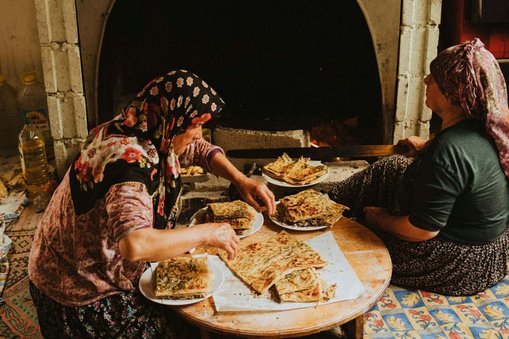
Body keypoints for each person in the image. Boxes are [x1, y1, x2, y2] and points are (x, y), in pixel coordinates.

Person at [27, 69, 276, 338]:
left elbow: (197, 149)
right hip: (77, 290)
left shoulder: (143, 125)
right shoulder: (129, 168)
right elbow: (135, 245)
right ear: (173, 121)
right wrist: (207, 232)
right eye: (193, 126)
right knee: (183, 328)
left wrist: (241, 180)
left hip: (76, 261)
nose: (198, 134)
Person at [320, 38, 509, 296]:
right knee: (392, 165)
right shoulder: (483, 125)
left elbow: (422, 230)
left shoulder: (449, 150)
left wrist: (379, 219)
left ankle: (326, 227)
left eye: (434, 79)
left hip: (462, 261)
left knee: (350, 241)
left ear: (452, 94)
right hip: (491, 248)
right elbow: (464, 169)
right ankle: (322, 205)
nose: (426, 82)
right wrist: (425, 149)